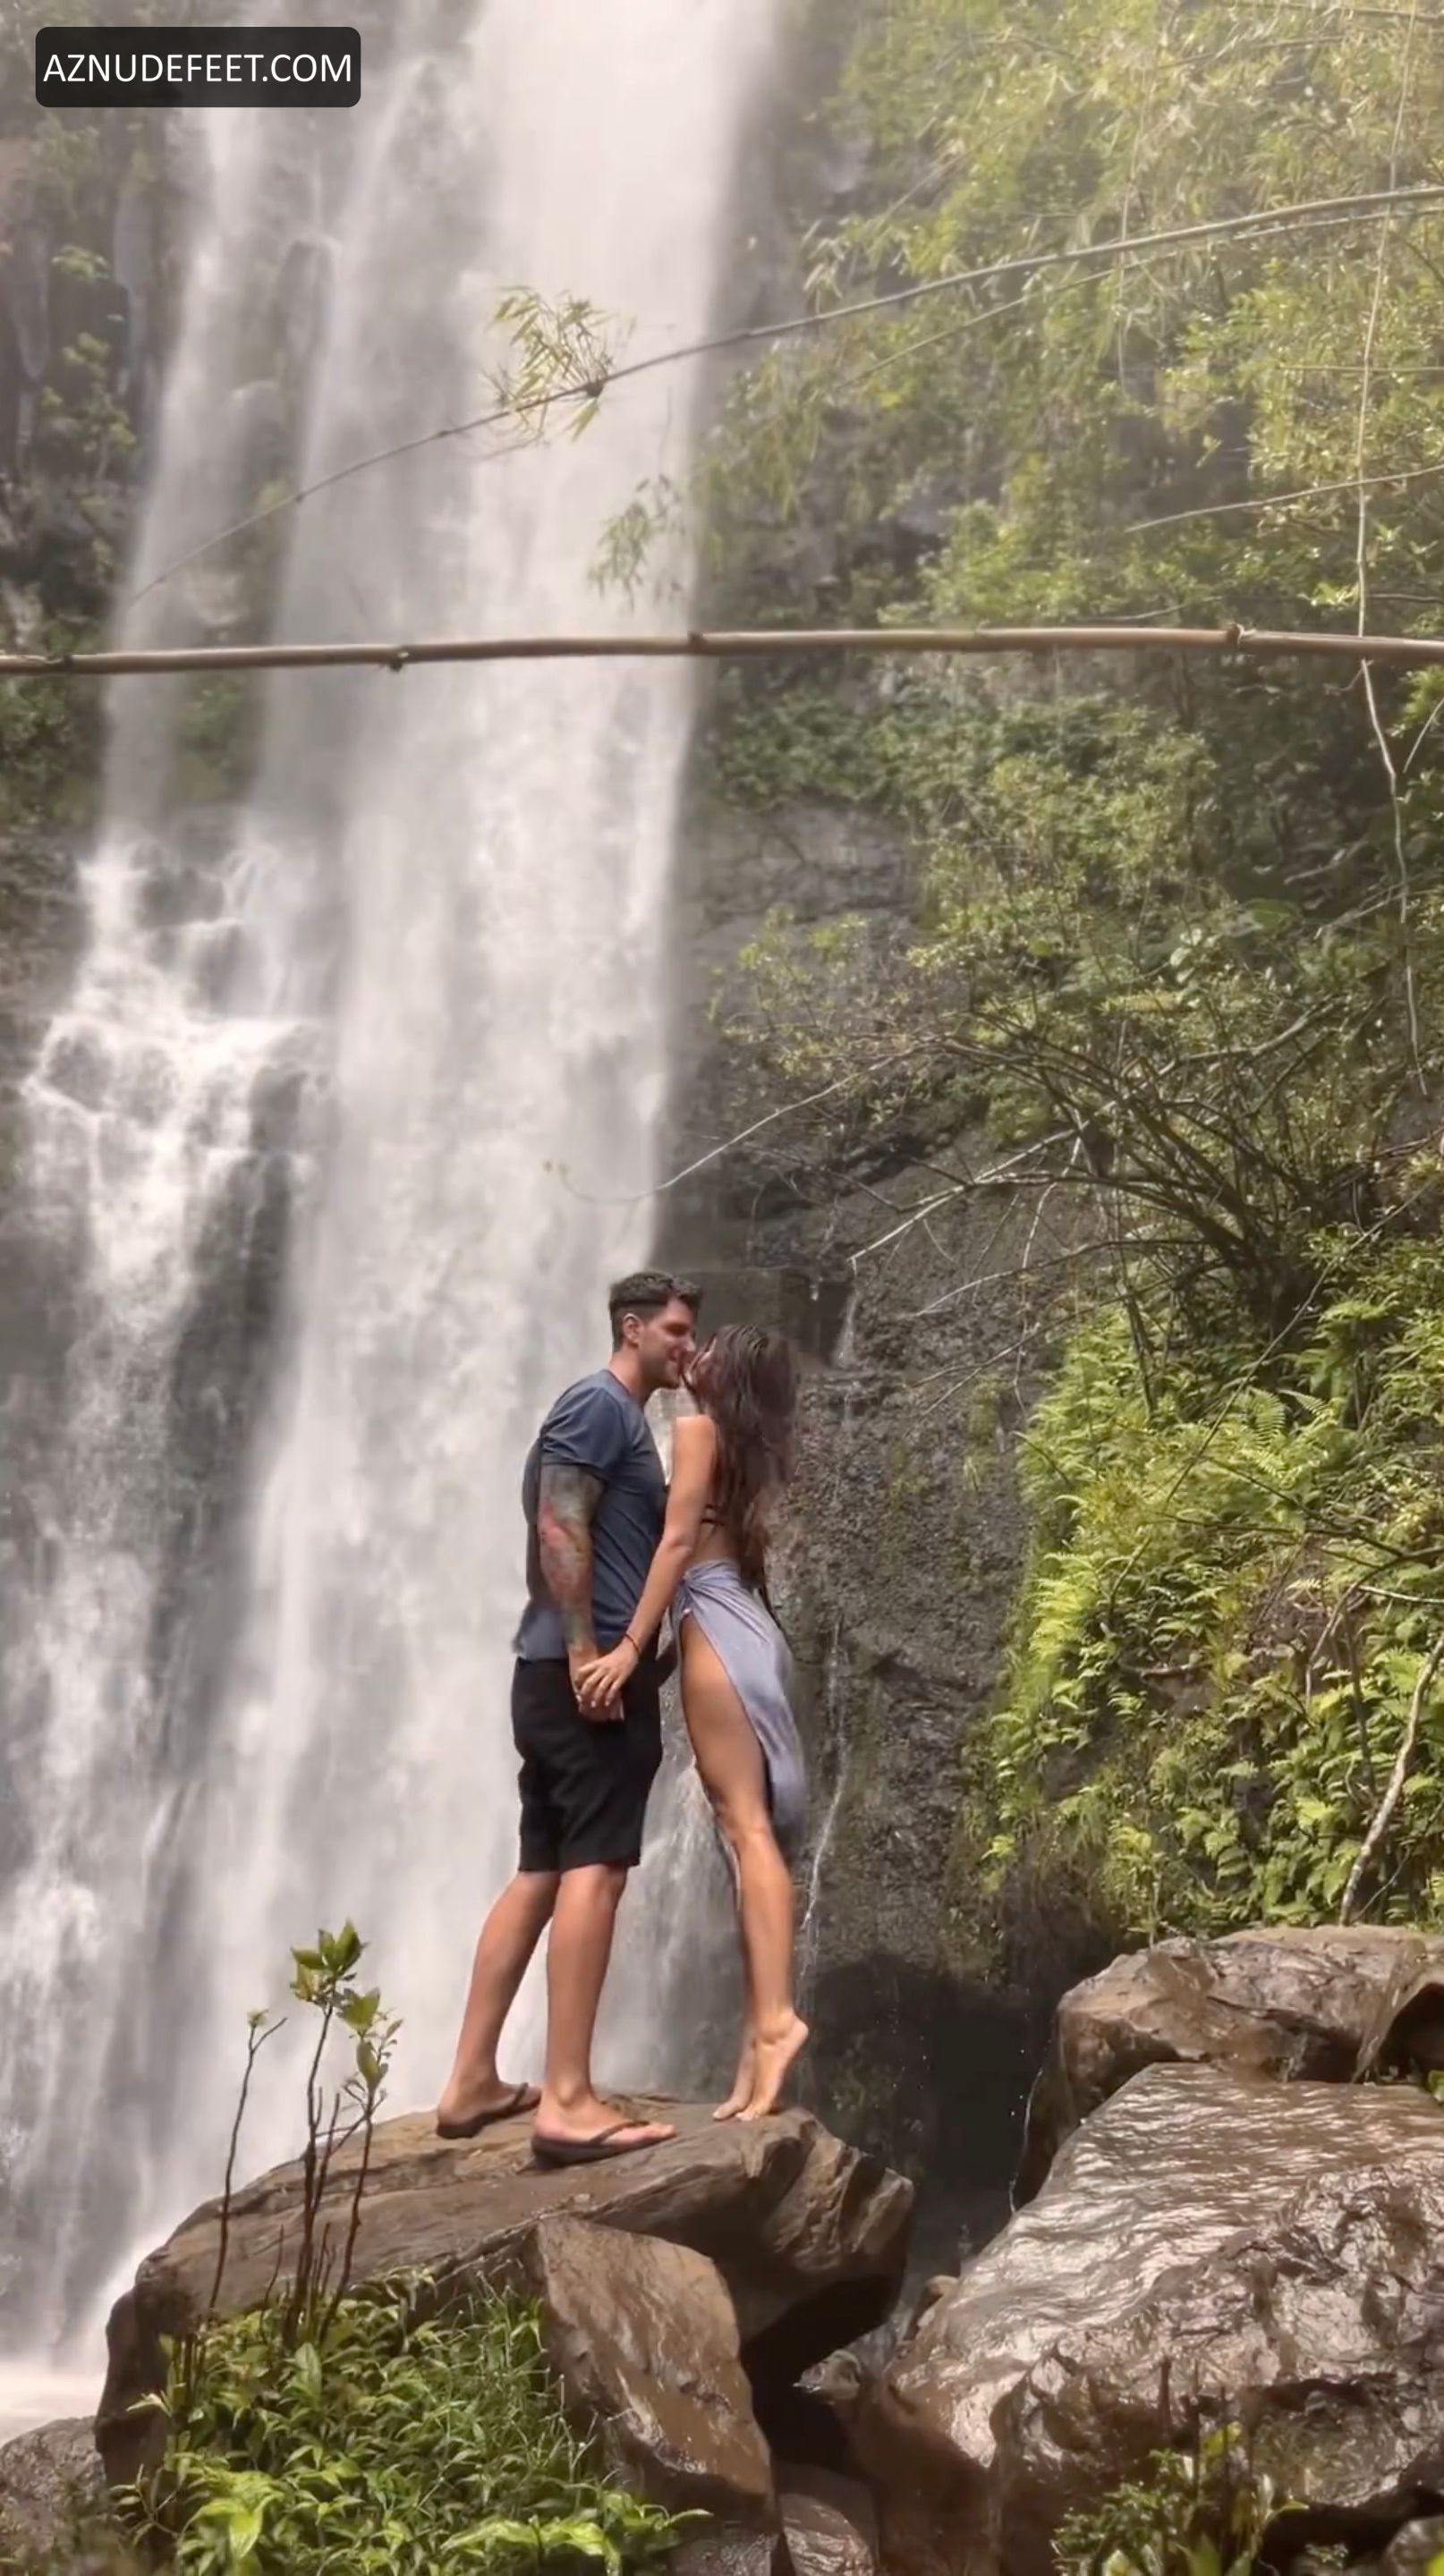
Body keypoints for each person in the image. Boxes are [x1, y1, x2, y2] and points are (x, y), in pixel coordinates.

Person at [436, 1268, 700, 2165]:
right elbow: (557, 1523)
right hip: (584, 1684)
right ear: (631, 1329)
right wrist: (592, 1651)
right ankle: (569, 2099)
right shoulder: (599, 1406)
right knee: (597, 1870)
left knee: (542, 1870)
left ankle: (472, 2081)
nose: (686, 1345)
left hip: (548, 1674)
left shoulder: (616, 1417)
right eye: (674, 1330)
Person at [577, 1323, 807, 2123]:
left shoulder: (699, 1431)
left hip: (716, 1635)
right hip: (741, 1631)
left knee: (747, 1830)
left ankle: (776, 2023)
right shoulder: (751, 1450)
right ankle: (753, 2048)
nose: (692, 1353)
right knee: (744, 1839)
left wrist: (629, 1649)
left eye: (707, 1348)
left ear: (725, 1373)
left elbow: (676, 1545)